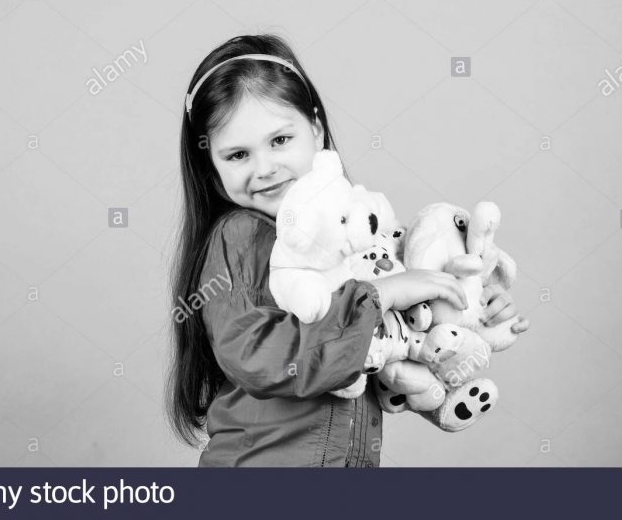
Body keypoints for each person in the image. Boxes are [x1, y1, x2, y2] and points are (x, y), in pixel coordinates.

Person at [165, 34, 530, 467]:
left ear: (316, 129)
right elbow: (255, 355)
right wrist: (383, 295)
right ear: (211, 165)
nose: (264, 168)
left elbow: (386, 347)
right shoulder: (239, 236)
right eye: (238, 154)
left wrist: (467, 311)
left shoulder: (349, 242)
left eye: (280, 140)